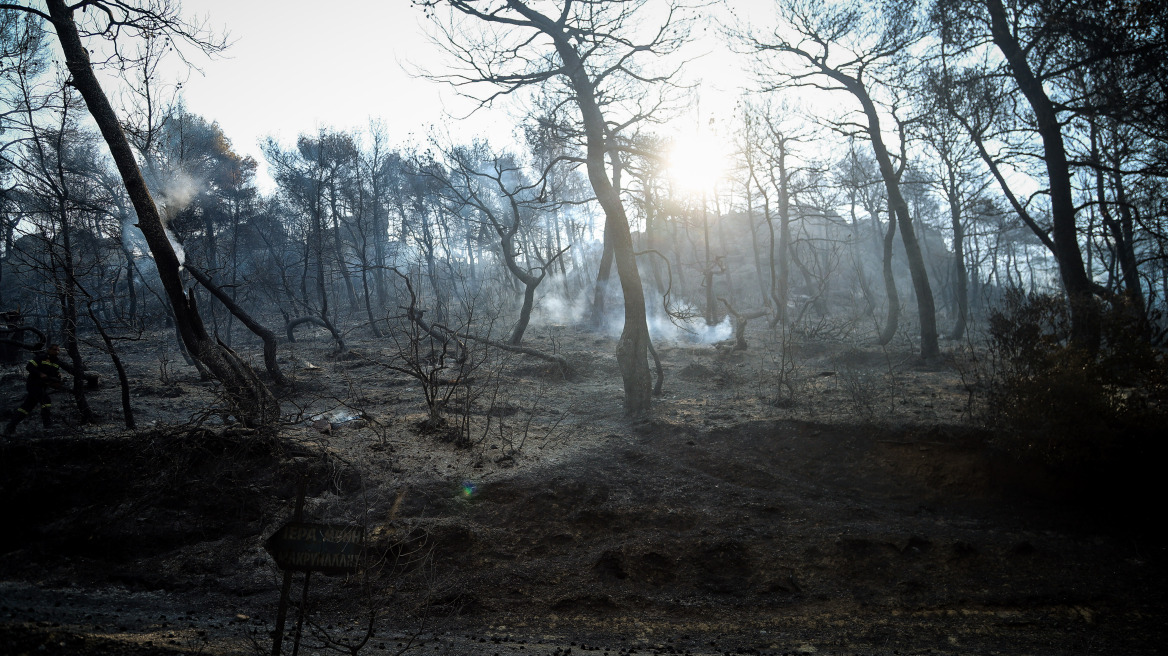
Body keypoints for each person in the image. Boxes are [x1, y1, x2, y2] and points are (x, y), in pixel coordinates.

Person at [4, 343, 65, 436]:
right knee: (46, 400)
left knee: (26, 408)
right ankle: (47, 425)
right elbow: (29, 367)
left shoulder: (57, 362)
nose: (56, 351)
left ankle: (10, 427)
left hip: (42, 387)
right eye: (54, 349)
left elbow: (53, 374)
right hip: (33, 385)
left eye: (58, 350)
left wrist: (58, 377)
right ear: (49, 350)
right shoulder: (41, 358)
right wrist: (39, 373)